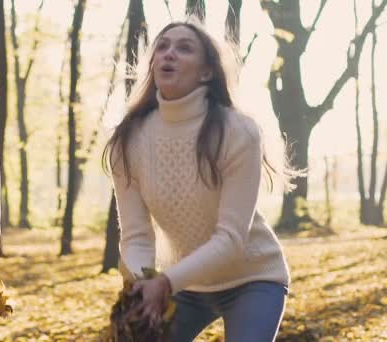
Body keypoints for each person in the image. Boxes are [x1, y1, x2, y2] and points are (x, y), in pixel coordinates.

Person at [104, 20, 293, 342]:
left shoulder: (238, 131)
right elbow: (136, 236)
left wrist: (165, 282)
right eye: (162, 46)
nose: (169, 54)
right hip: (183, 284)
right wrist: (143, 282)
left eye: (184, 48)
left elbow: (231, 238)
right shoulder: (129, 140)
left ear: (207, 72)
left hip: (253, 277)